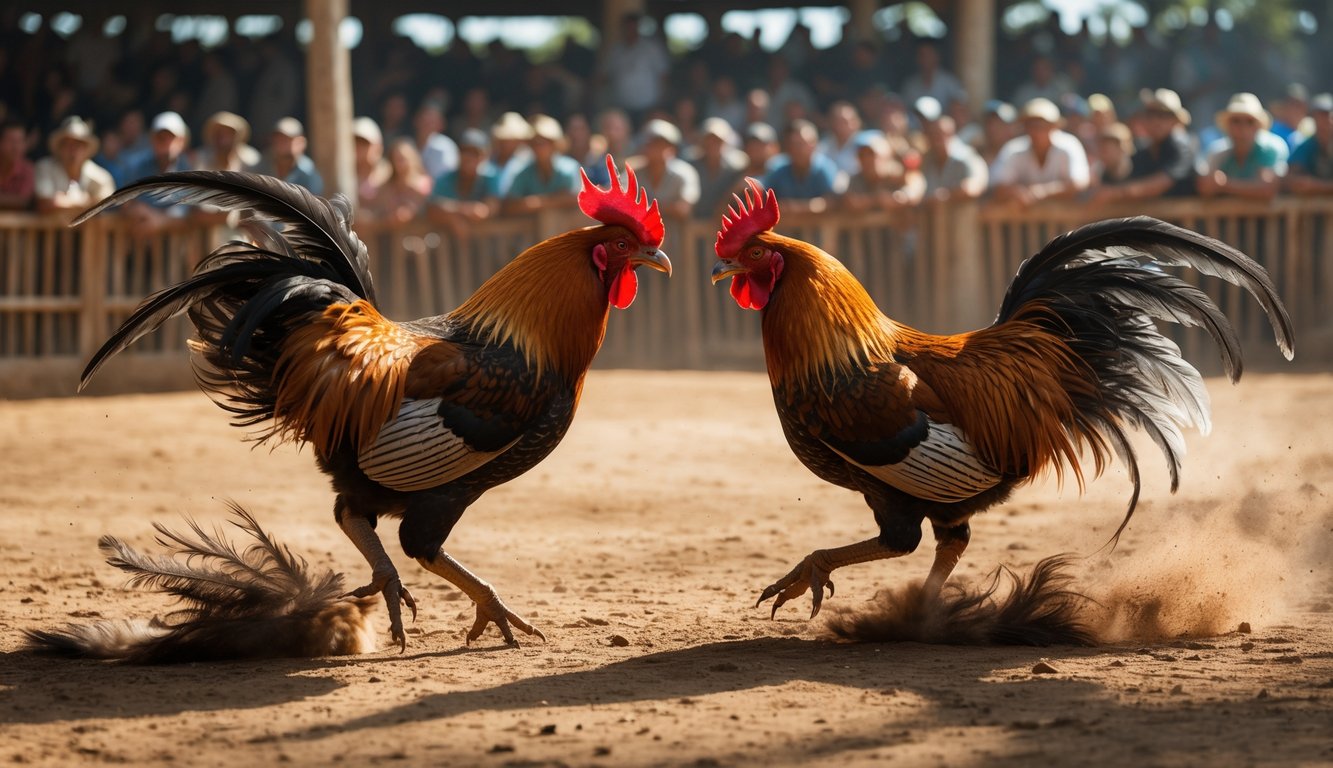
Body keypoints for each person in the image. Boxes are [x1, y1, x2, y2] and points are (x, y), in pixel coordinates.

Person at [1089, 88, 1195, 203]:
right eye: (1151, 114)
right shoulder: (1143, 154)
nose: (1156, 121)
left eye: (1164, 115)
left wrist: (1115, 193)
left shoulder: (1182, 150)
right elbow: (1124, 178)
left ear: (1175, 120)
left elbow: (1159, 185)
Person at [989, 98, 1090, 207]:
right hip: (1025, 222)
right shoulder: (1014, 149)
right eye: (1031, 125)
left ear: (1054, 127)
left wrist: (1043, 192)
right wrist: (1019, 193)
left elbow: (1080, 183)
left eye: (1041, 126)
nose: (1036, 131)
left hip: (1068, 221)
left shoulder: (1069, 145)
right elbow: (997, 185)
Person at [1197, 92, 1285, 200]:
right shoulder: (1218, 152)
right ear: (1227, 125)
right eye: (1236, 121)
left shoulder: (1271, 148)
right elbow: (1205, 187)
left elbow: (1267, 189)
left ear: (1258, 126)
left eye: (1249, 121)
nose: (1243, 127)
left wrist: (1224, 185)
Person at [598, 13, 670, 126]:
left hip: (648, 107)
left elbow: (663, 75)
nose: (630, 30)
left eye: (632, 26)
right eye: (627, 27)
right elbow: (604, 76)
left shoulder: (651, 48)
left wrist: (661, 103)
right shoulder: (615, 51)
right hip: (621, 106)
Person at [34, 116, 114, 215]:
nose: (73, 151)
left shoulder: (100, 176)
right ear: (60, 148)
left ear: (86, 150)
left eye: (78, 145)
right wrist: (87, 201)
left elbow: (106, 204)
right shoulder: (44, 168)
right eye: (68, 145)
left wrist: (63, 201)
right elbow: (44, 203)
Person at [762, 119, 846, 214]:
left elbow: (833, 202)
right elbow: (766, 202)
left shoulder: (825, 169)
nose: (799, 149)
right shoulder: (777, 169)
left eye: (803, 144)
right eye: (794, 144)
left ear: (815, 145)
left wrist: (800, 207)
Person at [501, 114, 581, 214]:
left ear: (554, 144)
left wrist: (538, 203)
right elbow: (510, 205)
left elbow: (576, 199)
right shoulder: (524, 172)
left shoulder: (568, 169)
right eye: (534, 143)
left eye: (542, 142)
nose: (537, 147)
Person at [429, 128, 501, 237]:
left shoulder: (490, 177)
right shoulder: (444, 179)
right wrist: (455, 216)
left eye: (475, 153)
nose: (469, 157)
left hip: (487, 245)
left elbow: (491, 207)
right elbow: (433, 207)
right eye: (465, 152)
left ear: (483, 157)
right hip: (448, 246)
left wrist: (454, 211)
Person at [914, 97, 987, 202]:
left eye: (939, 135)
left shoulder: (966, 157)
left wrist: (946, 195)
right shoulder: (928, 159)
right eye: (931, 136)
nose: (935, 140)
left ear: (950, 135)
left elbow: (974, 187)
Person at [627, 118, 699, 219]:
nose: (658, 150)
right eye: (653, 144)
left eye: (663, 145)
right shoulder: (634, 172)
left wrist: (645, 208)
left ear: (673, 149)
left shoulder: (685, 173)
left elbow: (684, 208)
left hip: (672, 233)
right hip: (639, 233)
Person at [841, 132, 922, 212]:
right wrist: (876, 200)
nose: (867, 160)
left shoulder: (897, 174)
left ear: (885, 154)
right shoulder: (856, 180)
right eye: (862, 155)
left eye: (871, 154)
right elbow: (851, 202)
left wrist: (902, 197)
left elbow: (914, 186)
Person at [687, 117, 747, 219]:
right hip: (694, 224)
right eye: (708, 140)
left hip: (722, 225)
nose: (712, 144)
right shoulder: (690, 166)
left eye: (717, 140)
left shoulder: (736, 168)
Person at [370, 138, 431, 224]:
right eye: (398, 159)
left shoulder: (424, 184)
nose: (402, 164)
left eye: (404, 159)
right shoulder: (387, 187)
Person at [259, 117, 323, 194]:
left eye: (287, 139)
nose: (281, 143)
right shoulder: (262, 165)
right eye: (278, 138)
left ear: (301, 142)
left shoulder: (308, 172)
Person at [1286, 93, 1333, 195]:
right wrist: (1298, 183)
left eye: (1327, 115)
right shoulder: (1306, 146)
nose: (1324, 120)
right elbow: (1290, 176)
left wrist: (1317, 186)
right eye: (1319, 115)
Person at [193, 111, 260, 173]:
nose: (222, 137)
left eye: (228, 133)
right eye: (218, 132)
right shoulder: (201, 156)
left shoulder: (250, 158)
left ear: (237, 136)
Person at [413, 100, 459, 182]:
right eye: (424, 119)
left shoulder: (444, 147)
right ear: (415, 120)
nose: (426, 123)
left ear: (441, 124)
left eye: (431, 121)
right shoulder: (408, 144)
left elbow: (444, 177)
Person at [0, 120, 35, 211]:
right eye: (11, 141)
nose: (16, 147)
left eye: (20, 141)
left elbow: (24, 201)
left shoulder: (27, 169)